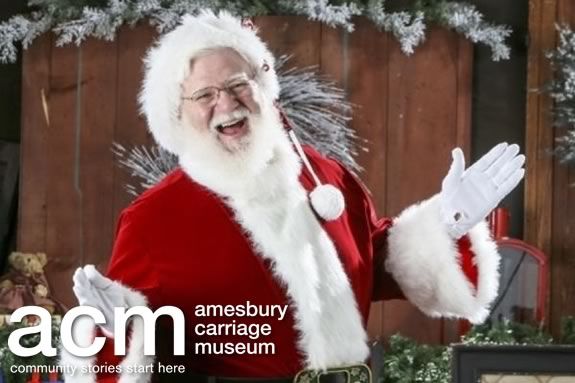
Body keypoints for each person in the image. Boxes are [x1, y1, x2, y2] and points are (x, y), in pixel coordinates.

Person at [60, 10, 525, 383]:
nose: (227, 103)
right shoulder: (154, 218)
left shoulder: (325, 175)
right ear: (176, 115)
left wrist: (449, 220)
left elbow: (372, 262)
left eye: (239, 84)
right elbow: (136, 355)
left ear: (264, 88)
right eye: (204, 94)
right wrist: (116, 326)